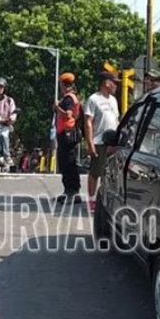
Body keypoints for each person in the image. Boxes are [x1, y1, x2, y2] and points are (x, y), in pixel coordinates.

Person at [84, 71, 120, 213]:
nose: (116, 86)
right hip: (99, 141)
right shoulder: (93, 99)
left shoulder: (113, 100)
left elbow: (116, 120)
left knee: (109, 173)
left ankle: (105, 199)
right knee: (95, 172)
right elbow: (88, 122)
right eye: (114, 83)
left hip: (112, 142)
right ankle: (92, 200)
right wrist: (90, 143)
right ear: (106, 83)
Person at [54, 72, 82, 203]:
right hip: (66, 134)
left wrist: (57, 108)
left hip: (67, 135)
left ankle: (72, 192)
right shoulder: (70, 97)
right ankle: (69, 191)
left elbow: (68, 115)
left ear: (63, 85)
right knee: (66, 163)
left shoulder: (69, 99)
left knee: (68, 164)